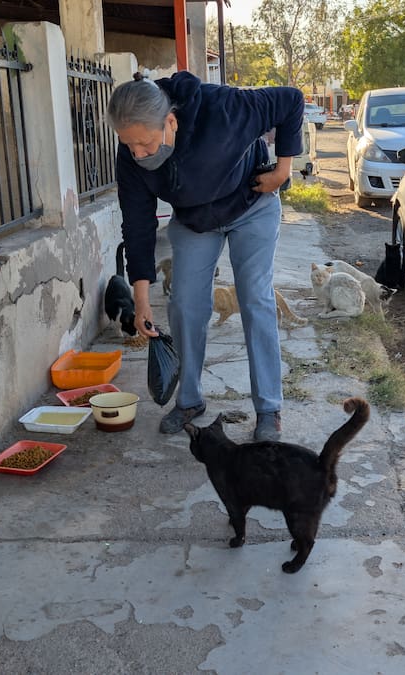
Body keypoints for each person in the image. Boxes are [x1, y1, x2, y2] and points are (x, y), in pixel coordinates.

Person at [106, 71, 304, 442]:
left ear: (170, 122)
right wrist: (142, 300)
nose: (138, 154)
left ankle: (268, 409)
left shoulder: (224, 108)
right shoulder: (131, 153)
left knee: (254, 298)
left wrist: (282, 170)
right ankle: (190, 400)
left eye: (146, 144)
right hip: (196, 220)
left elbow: (290, 100)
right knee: (183, 303)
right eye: (129, 145)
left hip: (251, 205)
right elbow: (137, 224)